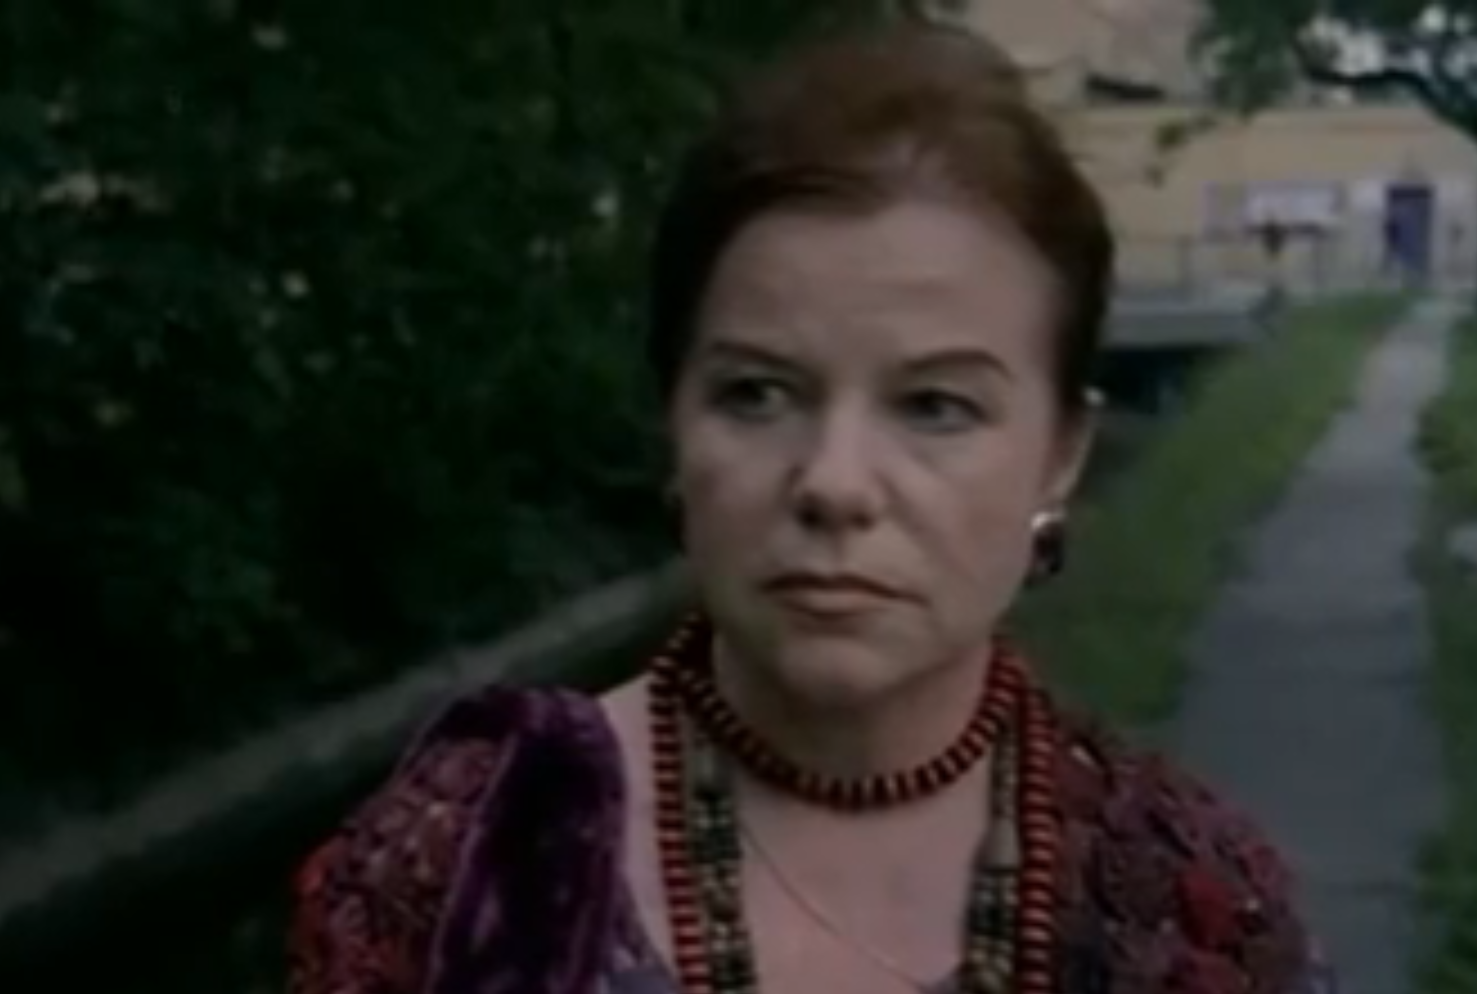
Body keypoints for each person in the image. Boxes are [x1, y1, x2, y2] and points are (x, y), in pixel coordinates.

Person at [289, 21, 1335, 994]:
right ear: (674, 421)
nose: (834, 483)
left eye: (934, 406)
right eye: (755, 394)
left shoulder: (1196, 911)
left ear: (1061, 455)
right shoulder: (459, 866)